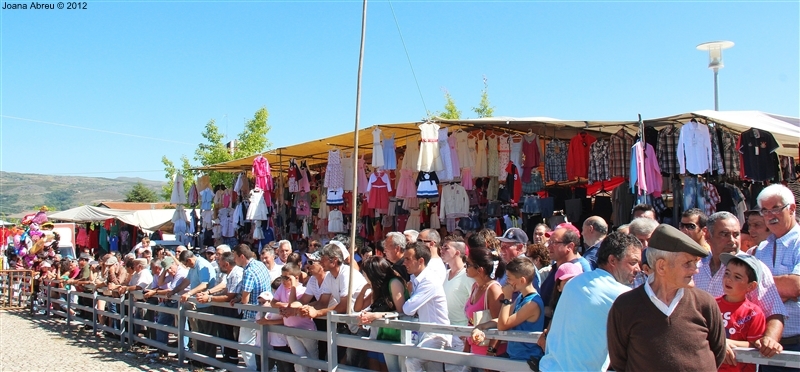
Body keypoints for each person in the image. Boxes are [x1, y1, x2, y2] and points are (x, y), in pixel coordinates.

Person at [607, 224, 726, 371]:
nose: (695, 270)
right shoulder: (625, 306)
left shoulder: (704, 303)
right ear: (661, 266)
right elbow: (619, 361)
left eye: (695, 262)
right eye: (688, 263)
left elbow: (718, 351)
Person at [539, 232, 642, 372]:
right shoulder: (621, 295)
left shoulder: (574, 282)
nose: (638, 269)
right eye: (633, 262)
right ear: (612, 260)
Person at [692, 212, 785, 359]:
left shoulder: (754, 269)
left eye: (736, 234)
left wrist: (769, 341)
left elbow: (775, 312)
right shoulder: (695, 269)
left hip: (740, 362)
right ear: (707, 235)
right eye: (724, 234)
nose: (732, 241)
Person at [752, 184, 800, 370]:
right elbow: (749, 290)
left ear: (792, 209)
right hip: (767, 345)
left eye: (776, 209)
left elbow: (795, 285)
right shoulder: (761, 249)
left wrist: (761, 286)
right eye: (765, 210)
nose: (770, 215)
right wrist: (782, 288)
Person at [476, 257, 544, 362]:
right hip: (515, 356)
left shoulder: (532, 303)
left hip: (526, 358)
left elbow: (503, 325)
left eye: (509, 278)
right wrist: (482, 326)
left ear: (522, 280)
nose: (507, 282)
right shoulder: (521, 297)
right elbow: (502, 319)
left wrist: (507, 298)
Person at [402, 241, 453, 372]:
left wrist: (409, 293)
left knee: (411, 362)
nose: (404, 263)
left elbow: (408, 309)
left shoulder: (429, 280)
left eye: (408, 259)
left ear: (421, 261)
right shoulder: (415, 278)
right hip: (426, 334)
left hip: (437, 335)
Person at [355, 256, 408, 372]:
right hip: (383, 333)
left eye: (365, 274)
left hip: (398, 334)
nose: (364, 277)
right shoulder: (377, 287)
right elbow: (374, 308)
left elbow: (402, 311)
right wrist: (366, 315)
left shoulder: (394, 283)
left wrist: (376, 315)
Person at [717, 253, 767, 372]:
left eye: (737, 277)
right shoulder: (710, 305)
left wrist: (723, 342)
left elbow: (756, 346)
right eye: (727, 273)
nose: (728, 279)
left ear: (751, 286)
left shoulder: (754, 313)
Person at [197, 251, 243, 365]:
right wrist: (210, 295)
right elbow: (227, 291)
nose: (219, 265)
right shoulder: (230, 273)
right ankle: (228, 357)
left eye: (221, 263)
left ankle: (232, 359)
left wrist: (209, 298)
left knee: (231, 334)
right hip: (230, 307)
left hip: (235, 308)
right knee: (225, 333)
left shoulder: (236, 273)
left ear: (226, 264)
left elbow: (229, 296)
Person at [231, 244, 271, 371]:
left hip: (252, 314)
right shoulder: (260, 265)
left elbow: (245, 299)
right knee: (262, 345)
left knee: (244, 344)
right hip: (265, 310)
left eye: (235, 257)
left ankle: (252, 369)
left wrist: (239, 299)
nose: (234, 260)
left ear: (242, 256)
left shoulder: (249, 271)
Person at [272, 263, 318, 372]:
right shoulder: (281, 288)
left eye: (286, 278)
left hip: (306, 331)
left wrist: (293, 286)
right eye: (282, 277)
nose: (283, 280)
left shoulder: (303, 291)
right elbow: (273, 302)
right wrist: (284, 305)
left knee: (312, 361)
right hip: (290, 330)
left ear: (295, 278)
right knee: (298, 361)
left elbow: (293, 305)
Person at [175, 250, 217, 368]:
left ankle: (209, 360)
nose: (186, 266)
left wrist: (189, 293)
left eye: (185, 264)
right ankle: (201, 358)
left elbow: (204, 284)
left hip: (207, 304)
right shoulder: (193, 267)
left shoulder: (201, 265)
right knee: (201, 332)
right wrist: (175, 290)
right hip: (200, 304)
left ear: (188, 260)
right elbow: (187, 280)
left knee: (208, 333)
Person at [465, 245, 506, 357]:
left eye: (468, 264)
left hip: (489, 355)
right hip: (475, 351)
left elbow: (499, 323)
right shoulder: (475, 286)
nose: (465, 267)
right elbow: (471, 321)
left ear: (480, 270)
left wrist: (491, 353)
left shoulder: (493, 289)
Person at [540, 224, 590, 313]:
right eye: (549, 242)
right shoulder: (556, 267)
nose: (548, 246)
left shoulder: (578, 270)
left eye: (553, 243)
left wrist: (550, 312)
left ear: (570, 246)